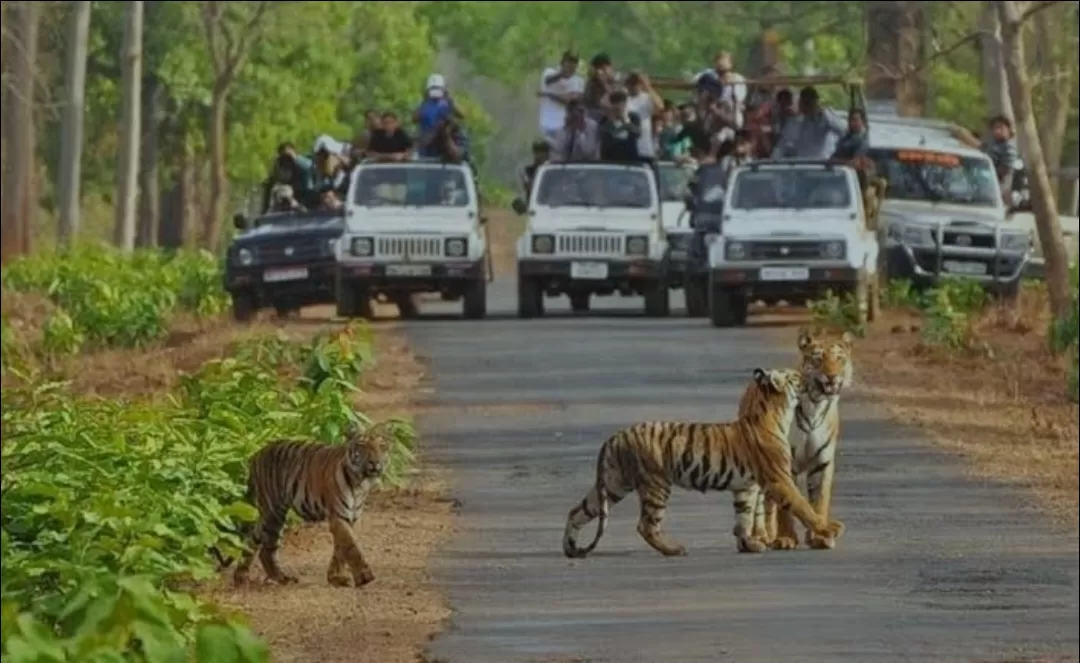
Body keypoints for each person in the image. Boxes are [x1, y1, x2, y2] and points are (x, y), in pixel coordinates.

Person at [952, 115, 1019, 205]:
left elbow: (1004, 170)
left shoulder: (1009, 147)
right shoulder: (995, 144)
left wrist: (985, 170)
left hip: (997, 191)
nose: (998, 131)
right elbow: (981, 147)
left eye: (1001, 127)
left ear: (1008, 129)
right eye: (995, 128)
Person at [771, 86, 846, 159]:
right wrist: (773, 161)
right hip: (801, 164)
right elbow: (782, 145)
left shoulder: (825, 119)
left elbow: (843, 130)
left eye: (810, 103)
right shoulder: (794, 122)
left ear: (816, 103)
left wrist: (824, 113)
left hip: (822, 164)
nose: (808, 107)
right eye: (805, 102)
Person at [538, 51, 585, 145]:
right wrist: (561, 75)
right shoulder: (549, 72)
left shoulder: (578, 81)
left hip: (565, 127)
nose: (571, 65)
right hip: (547, 124)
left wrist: (548, 94)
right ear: (563, 62)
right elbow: (548, 80)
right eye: (569, 62)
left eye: (574, 63)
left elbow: (569, 100)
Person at [694, 51, 748, 128]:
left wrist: (719, 108)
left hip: (731, 114)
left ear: (730, 64)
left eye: (724, 61)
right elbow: (696, 80)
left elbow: (738, 100)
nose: (721, 64)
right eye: (718, 61)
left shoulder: (738, 79)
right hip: (713, 117)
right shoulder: (710, 78)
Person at [415, 74, 464, 157]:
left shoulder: (448, 102)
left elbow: (462, 115)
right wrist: (424, 100)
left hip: (445, 142)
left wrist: (449, 99)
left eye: (437, 89)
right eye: (432, 89)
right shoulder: (424, 104)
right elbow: (414, 119)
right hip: (427, 142)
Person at [624, 71, 665, 162]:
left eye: (637, 83)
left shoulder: (646, 98)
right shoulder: (624, 98)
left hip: (645, 147)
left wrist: (647, 85)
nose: (634, 85)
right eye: (631, 82)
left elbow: (660, 106)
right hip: (627, 146)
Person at [598, 90, 642, 162]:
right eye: (615, 104)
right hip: (610, 157)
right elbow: (604, 134)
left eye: (621, 104)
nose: (618, 107)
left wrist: (625, 121)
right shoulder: (605, 119)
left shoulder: (633, 117)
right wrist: (611, 121)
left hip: (629, 157)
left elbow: (638, 133)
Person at [582, 52, 616, 122]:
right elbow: (586, 102)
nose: (601, 71)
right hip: (591, 118)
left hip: (607, 120)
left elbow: (615, 100)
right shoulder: (591, 83)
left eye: (604, 68)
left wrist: (604, 83)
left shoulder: (615, 83)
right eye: (598, 67)